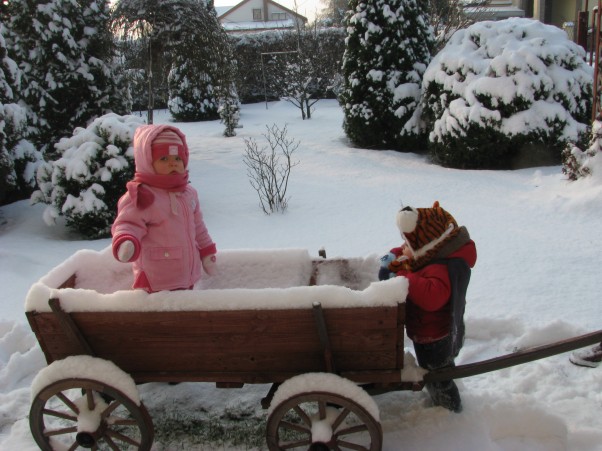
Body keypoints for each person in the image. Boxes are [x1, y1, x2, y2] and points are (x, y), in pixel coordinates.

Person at [379, 201, 477, 412]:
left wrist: (404, 275)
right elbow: (410, 251)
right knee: (432, 371)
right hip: (424, 332)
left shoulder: (439, 267)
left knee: (439, 375)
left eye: (408, 244)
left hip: (435, 336)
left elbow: (431, 298)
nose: (404, 247)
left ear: (427, 246)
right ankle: (440, 400)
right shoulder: (430, 255)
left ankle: (450, 408)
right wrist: (397, 255)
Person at [111, 124, 217, 292]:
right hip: (156, 281)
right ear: (147, 162)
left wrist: (206, 251)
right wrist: (126, 240)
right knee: (163, 318)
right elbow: (128, 223)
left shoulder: (188, 193)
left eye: (177, 159)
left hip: (188, 277)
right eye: (164, 159)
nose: (172, 164)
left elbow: (198, 227)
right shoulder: (142, 195)